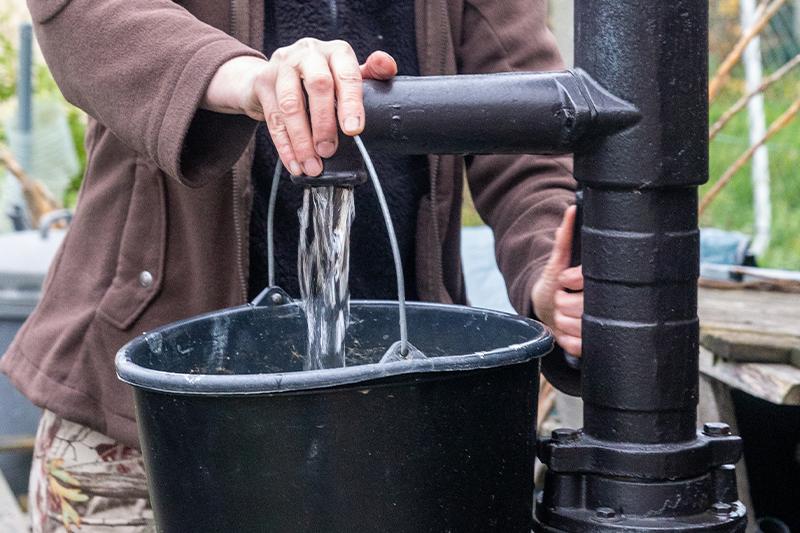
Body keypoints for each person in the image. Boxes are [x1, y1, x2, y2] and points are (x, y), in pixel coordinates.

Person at [3, 0, 582, 530]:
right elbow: (84, 14)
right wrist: (246, 79)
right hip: (147, 428)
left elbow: (525, 129)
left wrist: (546, 273)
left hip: (400, 429)